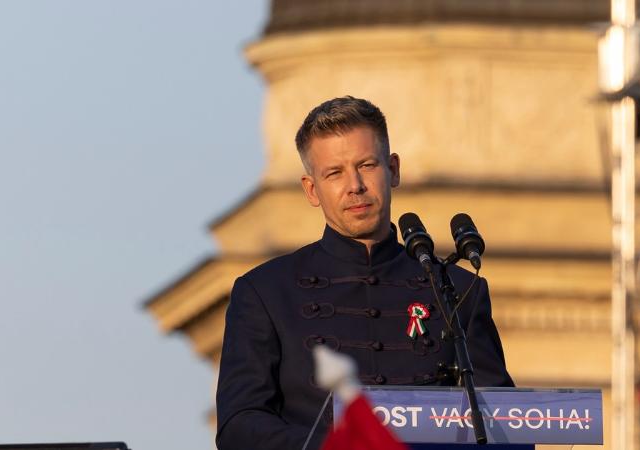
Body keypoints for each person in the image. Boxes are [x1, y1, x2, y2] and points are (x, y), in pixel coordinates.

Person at [215, 96, 513, 450]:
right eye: (335, 173)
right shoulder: (265, 292)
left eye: (367, 165)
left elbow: (506, 421)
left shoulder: (459, 291)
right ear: (312, 189)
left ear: (394, 169)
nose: (354, 185)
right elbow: (239, 424)